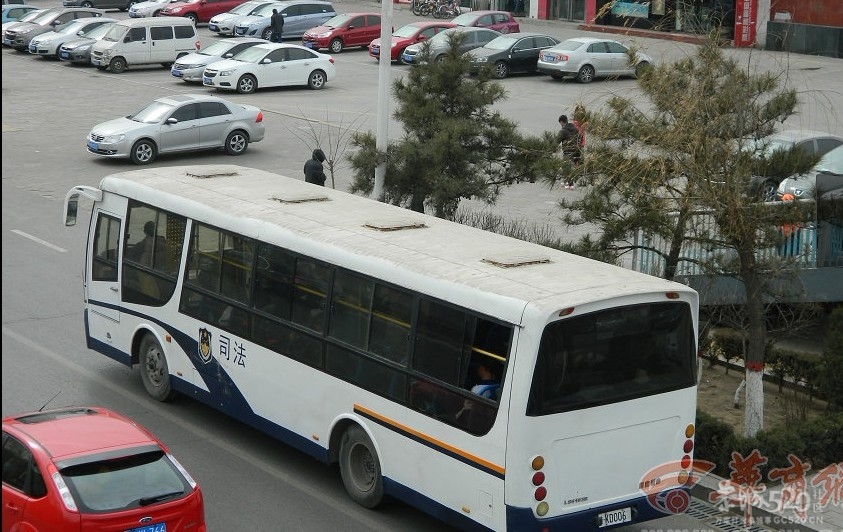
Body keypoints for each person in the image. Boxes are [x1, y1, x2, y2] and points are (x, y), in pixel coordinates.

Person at [557, 114, 581, 189]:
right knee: (572, 166)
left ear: (561, 122)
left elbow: (556, 141)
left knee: (566, 167)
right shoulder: (575, 129)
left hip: (568, 151)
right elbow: (580, 138)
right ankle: (566, 181)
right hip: (577, 151)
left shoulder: (563, 131)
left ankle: (570, 184)